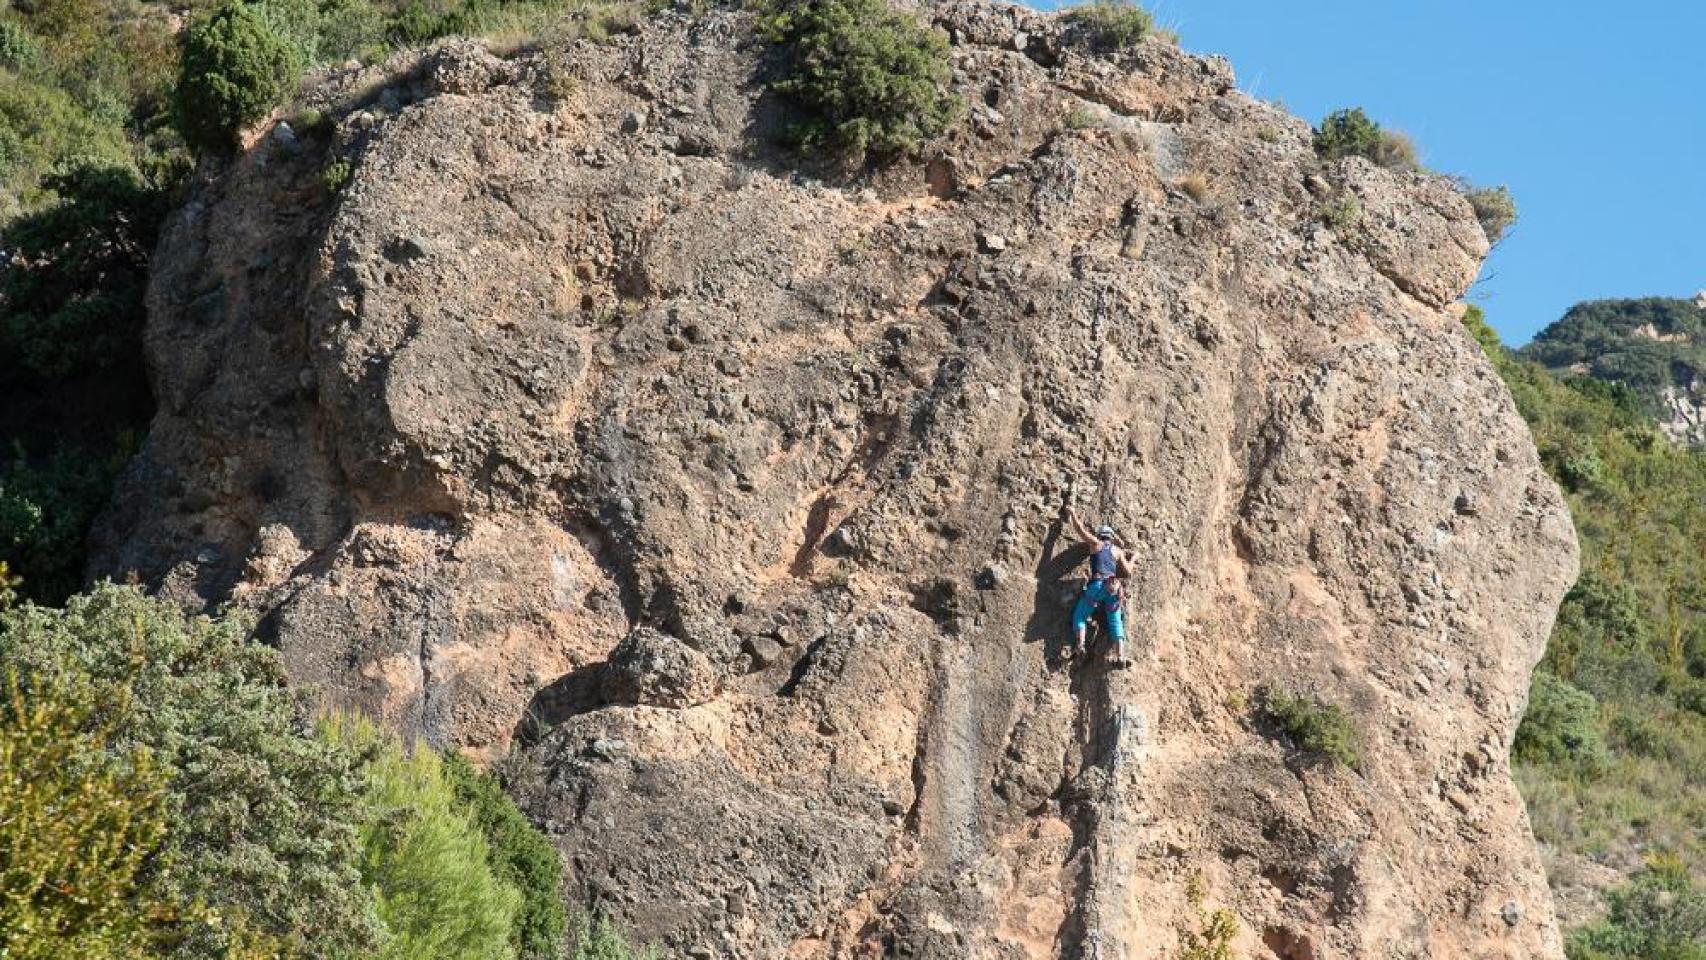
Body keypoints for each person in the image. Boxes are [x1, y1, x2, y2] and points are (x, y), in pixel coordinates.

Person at [1064, 506, 1132, 665]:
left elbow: (1080, 530)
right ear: (1111, 537)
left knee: (1080, 616)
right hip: (1113, 588)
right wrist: (1134, 558)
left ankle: (1080, 646)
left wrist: (1073, 514)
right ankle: (1120, 656)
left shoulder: (1096, 544)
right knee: (1115, 621)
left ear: (1100, 536)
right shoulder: (1118, 551)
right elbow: (1128, 571)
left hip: (1097, 586)